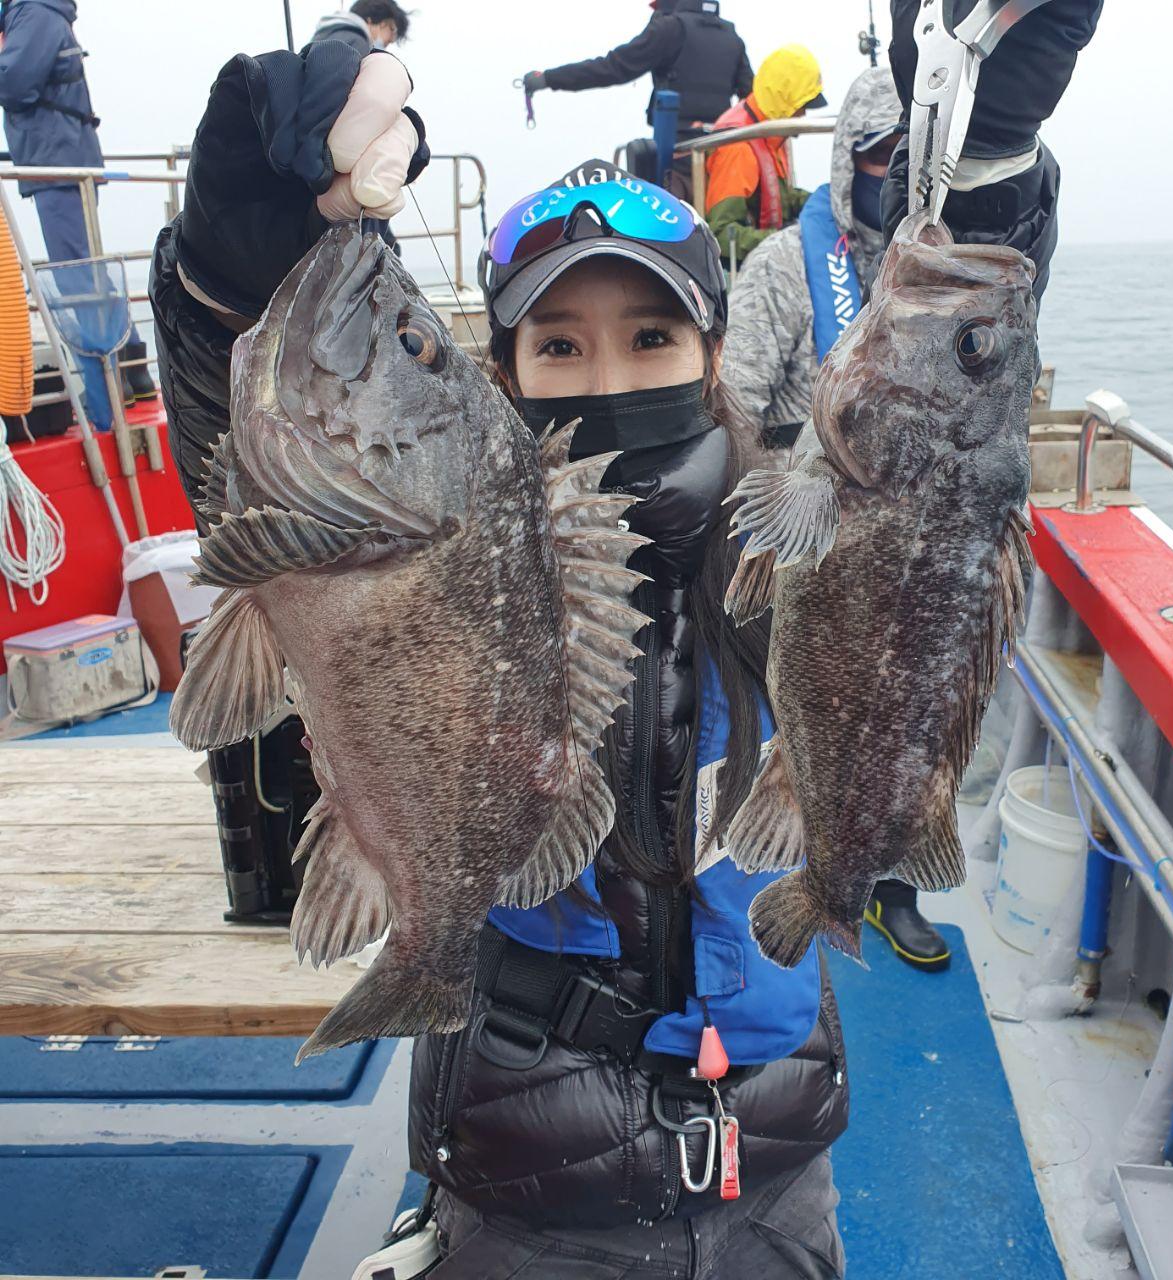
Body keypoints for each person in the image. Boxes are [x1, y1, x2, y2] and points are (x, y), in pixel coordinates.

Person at [150, 3, 1100, 1272]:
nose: (609, 377)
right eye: (557, 344)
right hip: (517, 1164)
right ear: (498, 378)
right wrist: (229, 273)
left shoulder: (780, 529)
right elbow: (265, 452)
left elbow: (934, 472)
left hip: (774, 1156)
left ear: (713, 352)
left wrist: (985, 170)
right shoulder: (449, 525)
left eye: (650, 336)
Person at [722, 66, 950, 969]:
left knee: (915, 723)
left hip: (909, 552)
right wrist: (777, 500)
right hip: (805, 532)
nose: (891, 179)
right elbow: (731, 396)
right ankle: (774, 866)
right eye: (879, 157)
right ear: (847, 161)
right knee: (799, 719)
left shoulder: (941, 284)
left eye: (911, 164)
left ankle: (888, 889)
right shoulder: (786, 264)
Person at [0, 0, 156, 426]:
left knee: (75, 280)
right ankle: (134, 369)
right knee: (86, 273)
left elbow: (14, 83)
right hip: (60, 160)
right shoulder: (38, 12)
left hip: (59, 165)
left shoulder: (34, 12)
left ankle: (106, 396)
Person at [521, 0, 752, 142]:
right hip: (723, 150)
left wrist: (549, 79)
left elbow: (613, 68)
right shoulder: (732, 37)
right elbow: (751, 95)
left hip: (678, 152)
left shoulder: (670, 28)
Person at [703, 43, 825, 266]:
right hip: (747, 272)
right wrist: (789, 240)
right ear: (785, 100)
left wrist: (825, 202)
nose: (804, 114)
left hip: (770, 258)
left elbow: (780, 197)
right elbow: (721, 234)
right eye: (803, 105)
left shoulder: (770, 133)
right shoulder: (739, 147)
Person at [311, 0, 411, 55]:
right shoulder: (355, 42)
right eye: (392, 29)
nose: (392, 39)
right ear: (370, 21)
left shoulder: (331, 35)